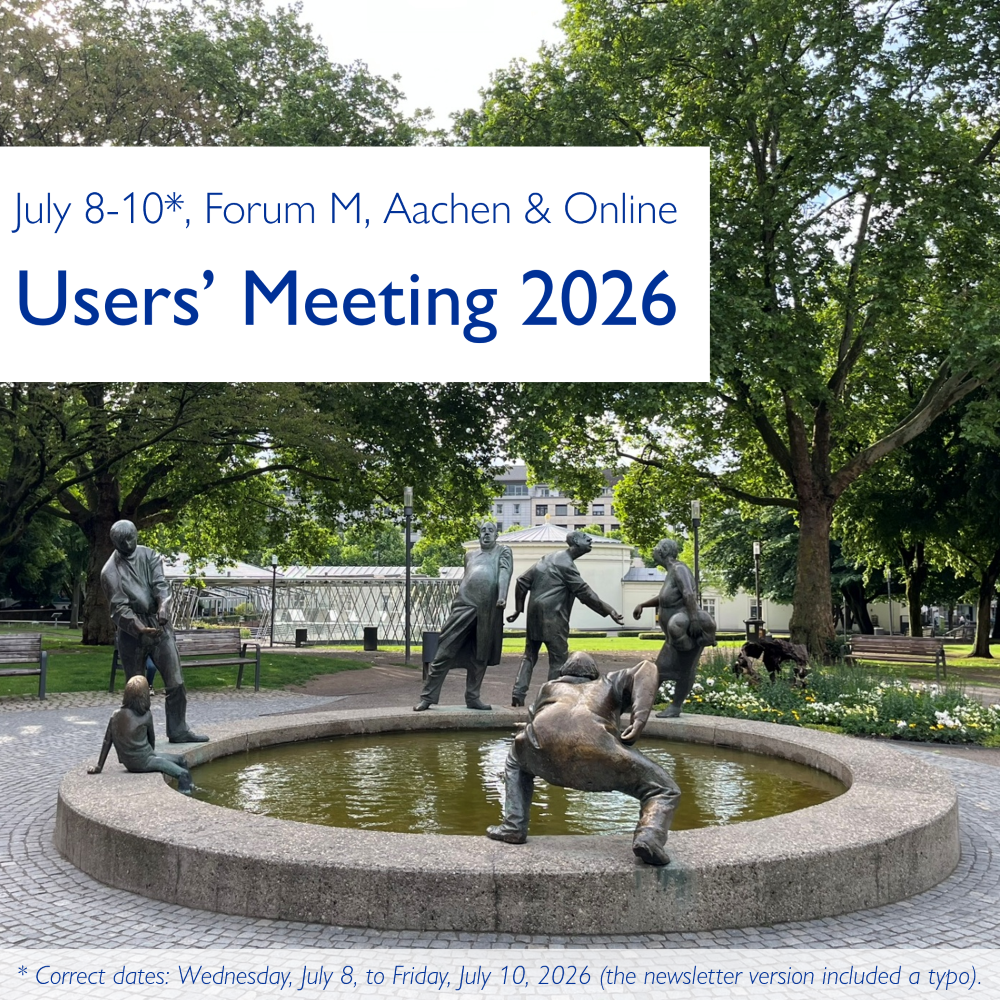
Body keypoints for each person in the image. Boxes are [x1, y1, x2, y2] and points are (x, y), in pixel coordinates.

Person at [487, 652, 680, 866]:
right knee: (665, 789)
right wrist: (639, 719)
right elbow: (647, 669)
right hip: (598, 751)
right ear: (594, 675)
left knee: (517, 753)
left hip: (541, 752)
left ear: (564, 673)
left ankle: (514, 825)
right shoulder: (607, 682)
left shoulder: (549, 687)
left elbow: (533, 719)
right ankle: (649, 836)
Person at [100, 519, 207, 743]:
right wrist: (139, 628)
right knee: (136, 690)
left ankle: (178, 730)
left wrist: (163, 607)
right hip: (132, 633)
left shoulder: (149, 555)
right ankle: (139, 738)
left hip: (159, 625)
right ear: (114, 542)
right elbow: (118, 607)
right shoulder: (109, 572)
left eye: (132, 537)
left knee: (176, 682)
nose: (129, 543)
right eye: (123, 541)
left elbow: (161, 585)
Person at [507, 530, 625, 707]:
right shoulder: (566, 564)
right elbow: (585, 593)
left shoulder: (548, 558)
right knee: (558, 660)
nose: (590, 539)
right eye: (586, 537)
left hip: (534, 616)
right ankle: (551, 701)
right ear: (576, 542)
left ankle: (518, 693)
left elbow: (522, 581)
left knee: (529, 656)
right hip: (553, 617)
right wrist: (609, 610)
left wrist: (519, 609)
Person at [414, 521, 513, 711]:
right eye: (483, 531)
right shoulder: (470, 555)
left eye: (490, 531)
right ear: (478, 535)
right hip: (464, 603)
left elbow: (504, 572)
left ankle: (472, 697)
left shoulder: (503, 551)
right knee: (444, 648)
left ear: (496, 535)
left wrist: (501, 597)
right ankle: (427, 697)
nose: (486, 534)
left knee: (480, 655)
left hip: (488, 608)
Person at [632, 538, 716, 718]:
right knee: (661, 671)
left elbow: (688, 593)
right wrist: (643, 604)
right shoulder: (672, 570)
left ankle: (673, 707)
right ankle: (643, 706)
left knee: (675, 670)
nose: (653, 551)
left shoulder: (679, 569)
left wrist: (693, 620)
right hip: (676, 634)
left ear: (663, 552)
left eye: (655, 548)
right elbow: (666, 598)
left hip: (687, 630)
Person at [87, 676, 194, 793]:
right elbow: (151, 740)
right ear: (145, 696)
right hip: (144, 761)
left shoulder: (115, 715)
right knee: (182, 773)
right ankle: (187, 794)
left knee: (181, 759)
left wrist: (99, 766)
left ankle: (191, 787)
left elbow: (107, 741)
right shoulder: (146, 715)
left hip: (130, 762)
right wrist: (153, 758)